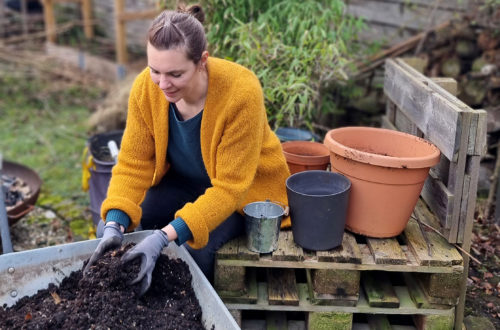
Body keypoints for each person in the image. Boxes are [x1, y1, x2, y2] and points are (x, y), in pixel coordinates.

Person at [84, 4, 290, 295]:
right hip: (182, 182)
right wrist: (113, 224)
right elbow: (132, 163)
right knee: (127, 223)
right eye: (155, 70)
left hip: (239, 195)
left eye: (175, 74)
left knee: (194, 254)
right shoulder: (147, 88)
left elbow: (230, 189)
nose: (163, 84)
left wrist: (165, 236)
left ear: (202, 61)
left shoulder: (241, 93)